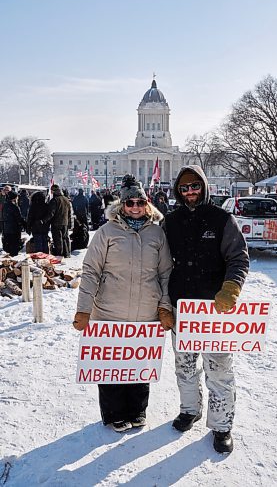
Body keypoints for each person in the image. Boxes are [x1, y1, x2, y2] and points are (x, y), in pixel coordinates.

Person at [73, 174, 174, 432]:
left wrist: (164, 305)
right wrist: (83, 309)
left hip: (146, 312)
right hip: (109, 311)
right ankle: (114, 413)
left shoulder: (157, 234)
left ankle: (137, 410)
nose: (136, 207)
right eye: (130, 203)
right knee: (111, 365)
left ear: (147, 204)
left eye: (140, 202)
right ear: (122, 206)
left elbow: (165, 273)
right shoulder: (107, 232)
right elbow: (91, 271)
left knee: (140, 363)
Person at [163, 165, 249, 454]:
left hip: (215, 311)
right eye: (185, 188)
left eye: (195, 186)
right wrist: (165, 303)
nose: (190, 192)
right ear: (178, 190)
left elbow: (238, 257)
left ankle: (222, 425)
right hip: (182, 309)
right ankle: (190, 409)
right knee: (185, 367)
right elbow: (161, 265)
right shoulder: (170, 222)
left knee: (219, 371)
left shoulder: (222, 219)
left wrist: (231, 287)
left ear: (204, 186)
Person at [42, 185, 72, 257]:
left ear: (53, 191)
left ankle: (59, 255)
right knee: (65, 238)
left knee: (58, 239)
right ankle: (67, 253)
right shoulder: (66, 199)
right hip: (65, 222)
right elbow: (69, 213)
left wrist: (44, 220)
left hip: (56, 223)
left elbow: (51, 213)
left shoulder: (54, 200)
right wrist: (69, 222)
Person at [2, 191, 25, 256]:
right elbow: (19, 218)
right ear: (14, 198)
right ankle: (13, 261)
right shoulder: (14, 207)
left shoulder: (5, 205)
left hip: (6, 228)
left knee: (8, 245)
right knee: (14, 247)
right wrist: (24, 224)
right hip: (14, 229)